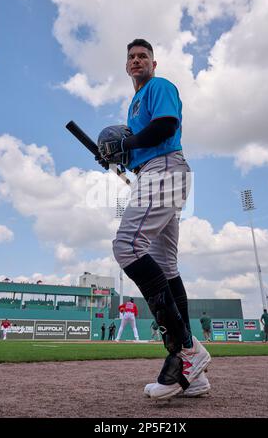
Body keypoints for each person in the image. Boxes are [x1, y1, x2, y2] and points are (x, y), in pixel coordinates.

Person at [97, 39, 211, 400]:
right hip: (155, 171)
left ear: (153, 63)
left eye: (142, 56)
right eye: (130, 56)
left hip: (164, 169)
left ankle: (186, 351)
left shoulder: (158, 87)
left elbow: (164, 126)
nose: (136, 60)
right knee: (166, 265)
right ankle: (196, 376)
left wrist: (126, 147)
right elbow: (139, 145)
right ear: (126, 65)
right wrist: (119, 157)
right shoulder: (133, 107)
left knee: (127, 246)